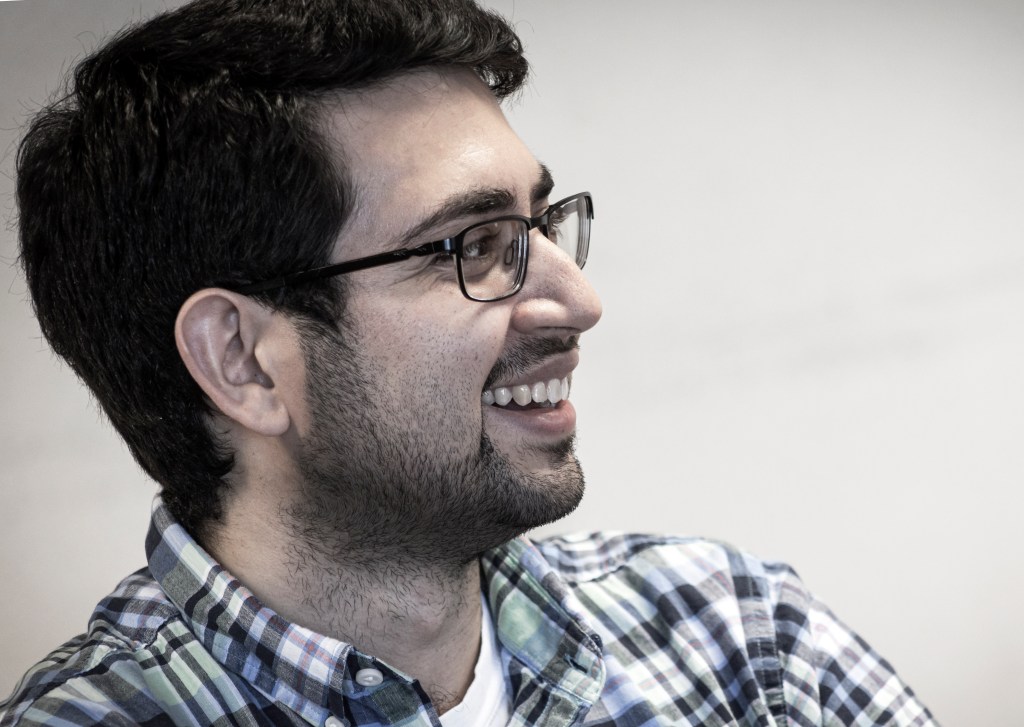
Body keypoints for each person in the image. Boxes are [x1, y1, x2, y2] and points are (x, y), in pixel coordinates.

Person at [1, 1, 936, 725]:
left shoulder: (737, 636)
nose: (580, 300)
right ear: (242, 359)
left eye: (540, 222)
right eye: (474, 246)